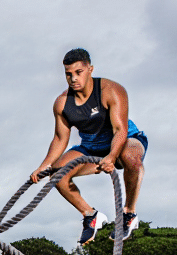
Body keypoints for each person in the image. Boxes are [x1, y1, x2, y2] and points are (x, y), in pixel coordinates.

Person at [29, 48, 148, 244]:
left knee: (131, 159)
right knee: (57, 173)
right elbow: (60, 138)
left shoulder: (111, 90)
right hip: (91, 148)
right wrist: (44, 165)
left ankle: (129, 214)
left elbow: (120, 130)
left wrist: (111, 156)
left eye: (78, 72)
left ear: (90, 69)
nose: (73, 78)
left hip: (126, 140)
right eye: (68, 74)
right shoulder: (61, 103)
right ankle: (90, 215)